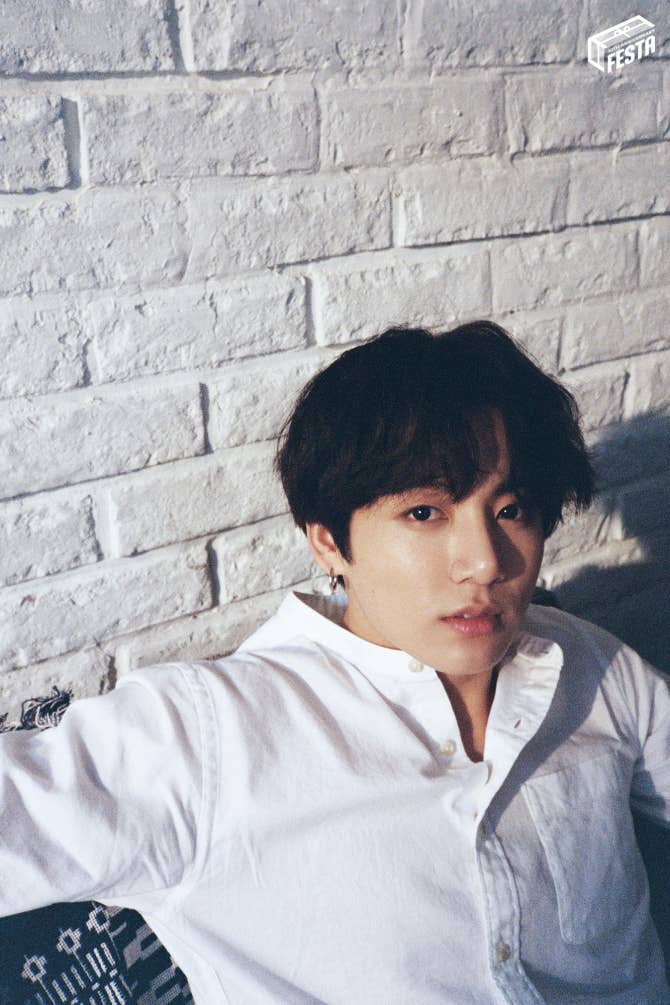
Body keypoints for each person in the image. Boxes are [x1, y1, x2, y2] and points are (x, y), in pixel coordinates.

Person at [1, 321, 669, 1004]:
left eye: (511, 509)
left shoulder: (592, 665)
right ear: (327, 541)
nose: (484, 562)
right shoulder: (206, 734)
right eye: (424, 512)